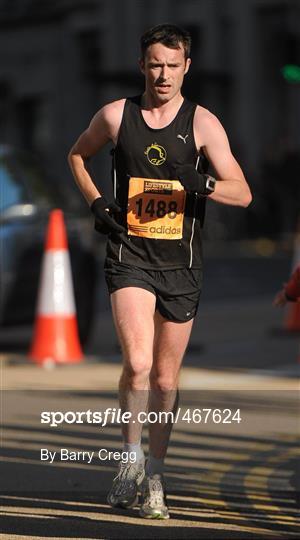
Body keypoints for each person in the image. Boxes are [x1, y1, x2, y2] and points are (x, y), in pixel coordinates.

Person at [68, 23, 252, 519]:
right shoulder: (115, 115)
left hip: (182, 265)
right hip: (129, 256)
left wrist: (204, 183)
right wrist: (97, 202)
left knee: (167, 380)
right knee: (140, 365)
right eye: (155, 64)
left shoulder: (204, 123)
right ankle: (128, 462)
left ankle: (154, 473)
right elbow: (77, 156)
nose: (163, 74)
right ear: (142, 66)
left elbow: (243, 192)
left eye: (173, 65)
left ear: (186, 67)